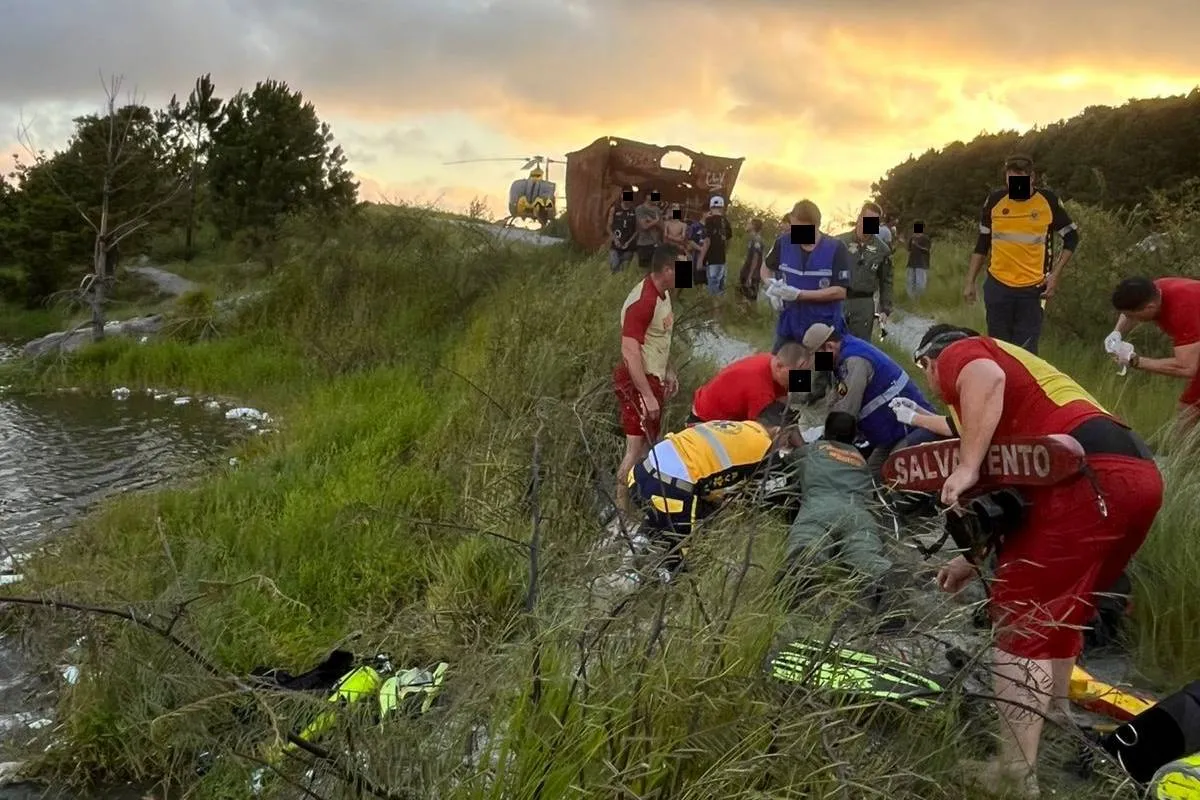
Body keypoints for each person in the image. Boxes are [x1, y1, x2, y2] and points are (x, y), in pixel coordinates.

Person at [907, 323, 1162, 798]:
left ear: (928, 361)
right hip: (1136, 476)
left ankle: (1013, 772)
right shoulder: (1024, 395)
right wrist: (970, 560)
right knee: (1063, 611)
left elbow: (985, 378)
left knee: (1021, 625)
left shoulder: (964, 355)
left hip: (1084, 477)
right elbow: (1012, 498)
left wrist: (964, 467)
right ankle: (1055, 715)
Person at [627, 402, 798, 564]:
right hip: (671, 492)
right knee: (680, 556)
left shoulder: (732, 427)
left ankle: (639, 544)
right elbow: (776, 496)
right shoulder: (765, 446)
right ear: (778, 431)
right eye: (787, 439)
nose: (786, 445)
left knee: (667, 519)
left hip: (639, 475)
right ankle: (657, 578)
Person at [777, 410, 900, 622]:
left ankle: (796, 583)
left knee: (806, 545)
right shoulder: (860, 460)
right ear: (853, 437)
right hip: (858, 514)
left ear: (826, 432)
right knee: (864, 551)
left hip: (818, 507)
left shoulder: (812, 450)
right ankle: (886, 591)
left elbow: (784, 467)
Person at [962, 154, 1080, 355]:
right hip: (998, 286)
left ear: (1032, 177)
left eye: (1020, 176)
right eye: (1011, 176)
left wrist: (1055, 276)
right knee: (999, 349)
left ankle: (1022, 385)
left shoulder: (1047, 201)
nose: (1015, 181)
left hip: (1033, 290)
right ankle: (1002, 386)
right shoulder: (994, 201)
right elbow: (982, 244)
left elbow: (1072, 237)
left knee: (1026, 352)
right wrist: (970, 281)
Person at [799, 322, 938, 478]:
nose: (817, 365)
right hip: (890, 434)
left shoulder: (854, 361)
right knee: (872, 478)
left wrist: (824, 443)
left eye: (817, 358)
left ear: (829, 347)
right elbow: (832, 397)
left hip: (911, 429)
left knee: (889, 475)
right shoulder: (844, 353)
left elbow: (846, 413)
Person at [614, 245, 678, 518]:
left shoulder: (664, 295)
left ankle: (642, 505)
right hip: (638, 381)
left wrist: (669, 370)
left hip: (654, 378)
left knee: (649, 446)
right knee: (635, 449)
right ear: (667, 270)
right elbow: (629, 351)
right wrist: (647, 394)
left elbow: (657, 339)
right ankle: (622, 512)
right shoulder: (644, 300)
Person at [761, 199, 852, 354]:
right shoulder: (783, 243)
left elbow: (840, 291)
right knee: (791, 371)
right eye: (793, 226)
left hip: (824, 329)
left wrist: (800, 295)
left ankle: (822, 378)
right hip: (790, 326)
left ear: (816, 226)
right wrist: (772, 287)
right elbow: (766, 267)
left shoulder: (836, 248)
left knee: (822, 374)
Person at [1108, 276, 1200, 426]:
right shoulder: (1151, 290)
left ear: (1149, 307)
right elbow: (1127, 312)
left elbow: (1186, 367)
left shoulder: (1182, 309)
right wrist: (1116, 333)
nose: (1130, 318)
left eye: (1132, 315)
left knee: (1187, 412)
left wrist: (1134, 360)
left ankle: (1176, 449)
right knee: (1188, 410)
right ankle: (1179, 449)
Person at [687, 342, 809, 425]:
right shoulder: (759, 388)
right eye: (795, 375)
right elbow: (759, 429)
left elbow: (785, 401)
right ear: (779, 366)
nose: (798, 380)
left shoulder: (772, 361)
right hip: (705, 422)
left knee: (786, 416)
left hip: (718, 409)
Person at [838, 202, 894, 341]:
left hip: (864, 303)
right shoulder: (839, 242)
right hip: (838, 300)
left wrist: (885, 309)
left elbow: (886, 280)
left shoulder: (883, 249)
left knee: (859, 347)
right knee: (828, 345)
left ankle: (854, 363)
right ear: (859, 218)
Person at [699, 196, 734, 296]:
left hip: (712, 260)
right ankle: (720, 311)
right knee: (720, 291)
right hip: (722, 260)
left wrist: (701, 259)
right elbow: (729, 239)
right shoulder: (726, 221)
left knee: (713, 292)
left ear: (711, 207)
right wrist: (725, 251)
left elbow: (707, 241)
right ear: (722, 207)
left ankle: (714, 312)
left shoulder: (709, 221)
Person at [607, 188, 638, 273]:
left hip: (628, 246)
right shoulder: (614, 209)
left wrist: (629, 242)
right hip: (615, 245)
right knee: (614, 266)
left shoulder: (634, 210)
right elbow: (608, 227)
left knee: (624, 270)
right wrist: (615, 240)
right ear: (621, 195)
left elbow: (637, 230)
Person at [738, 217, 765, 302]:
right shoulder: (751, 239)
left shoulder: (757, 240)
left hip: (753, 275)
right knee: (742, 297)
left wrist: (750, 276)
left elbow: (755, 259)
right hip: (746, 272)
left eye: (749, 223)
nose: (747, 225)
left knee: (751, 299)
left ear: (753, 226)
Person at [634, 191, 663, 269]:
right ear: (647, 196)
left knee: (655, 269)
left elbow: (662, 227)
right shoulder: (640, 209)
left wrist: (652, 221)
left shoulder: (657, 210)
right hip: (644, 244)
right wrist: (655, 221)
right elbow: (644, 226)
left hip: (656, 243)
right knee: (644, 270)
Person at [906, 225, 931, 300]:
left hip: (921, 263)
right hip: (911, 262)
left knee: (920, 283)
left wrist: (917, 245)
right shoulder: (912, 238)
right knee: (910, 282)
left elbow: (927, 250)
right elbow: (909, 249)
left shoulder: (925, 238)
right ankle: (911, 299)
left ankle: (920, 299)